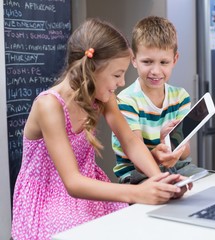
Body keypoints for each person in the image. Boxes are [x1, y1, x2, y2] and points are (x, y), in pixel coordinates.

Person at [11, 18, 190, 240]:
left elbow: (131, 141)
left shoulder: (103, 98)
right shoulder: (49, 106)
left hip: (90, 188)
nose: (123, 82)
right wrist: (137, 193)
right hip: (48, 199)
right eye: (117, 75)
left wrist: (161, 182)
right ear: (91, 69)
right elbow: (73, 183)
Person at [112, 16, 207, 184]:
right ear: (134, 59)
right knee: (171, 195)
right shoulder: (127, 100)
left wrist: (170, 143)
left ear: (175, 60)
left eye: (164, 62)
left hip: (177, 166)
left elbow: (185, 154)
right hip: (137, 174)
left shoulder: (180, 97)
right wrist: (159, 152)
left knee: (210, 181)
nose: (156, 71)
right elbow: (138, 159)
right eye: (147, 62)